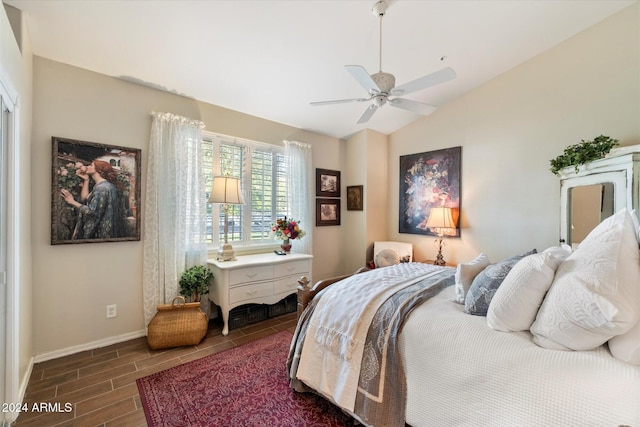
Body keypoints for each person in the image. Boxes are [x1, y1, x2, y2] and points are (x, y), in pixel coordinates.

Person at [60, 160, 122, 239]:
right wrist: (86, 180)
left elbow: (92, 212)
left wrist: (72, 202)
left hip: (101, 233)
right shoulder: (104, 185)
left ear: (99, 170)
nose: (87, 167)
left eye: (91, 165)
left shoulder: (102, 188)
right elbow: (85, 198)